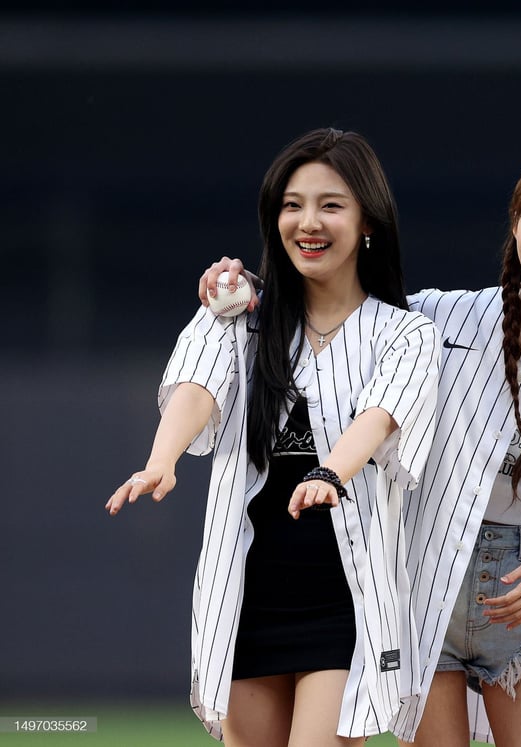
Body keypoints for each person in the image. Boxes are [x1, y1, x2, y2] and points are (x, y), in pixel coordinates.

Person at [200, 149, 521, 747]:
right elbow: (339, 306)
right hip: (427, 582)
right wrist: (247, 288)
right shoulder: (439, 318)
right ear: (516, 226)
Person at [107, 128, 440, 746]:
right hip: (245, 603)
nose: (308, 221)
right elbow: (197, 385)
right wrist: (162, 459)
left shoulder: (404, 333)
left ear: (368, 219)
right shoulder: (240, 314)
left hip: (348, 607)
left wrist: (329, 473)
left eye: (330, 204)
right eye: (292, 204)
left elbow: (381, 415)